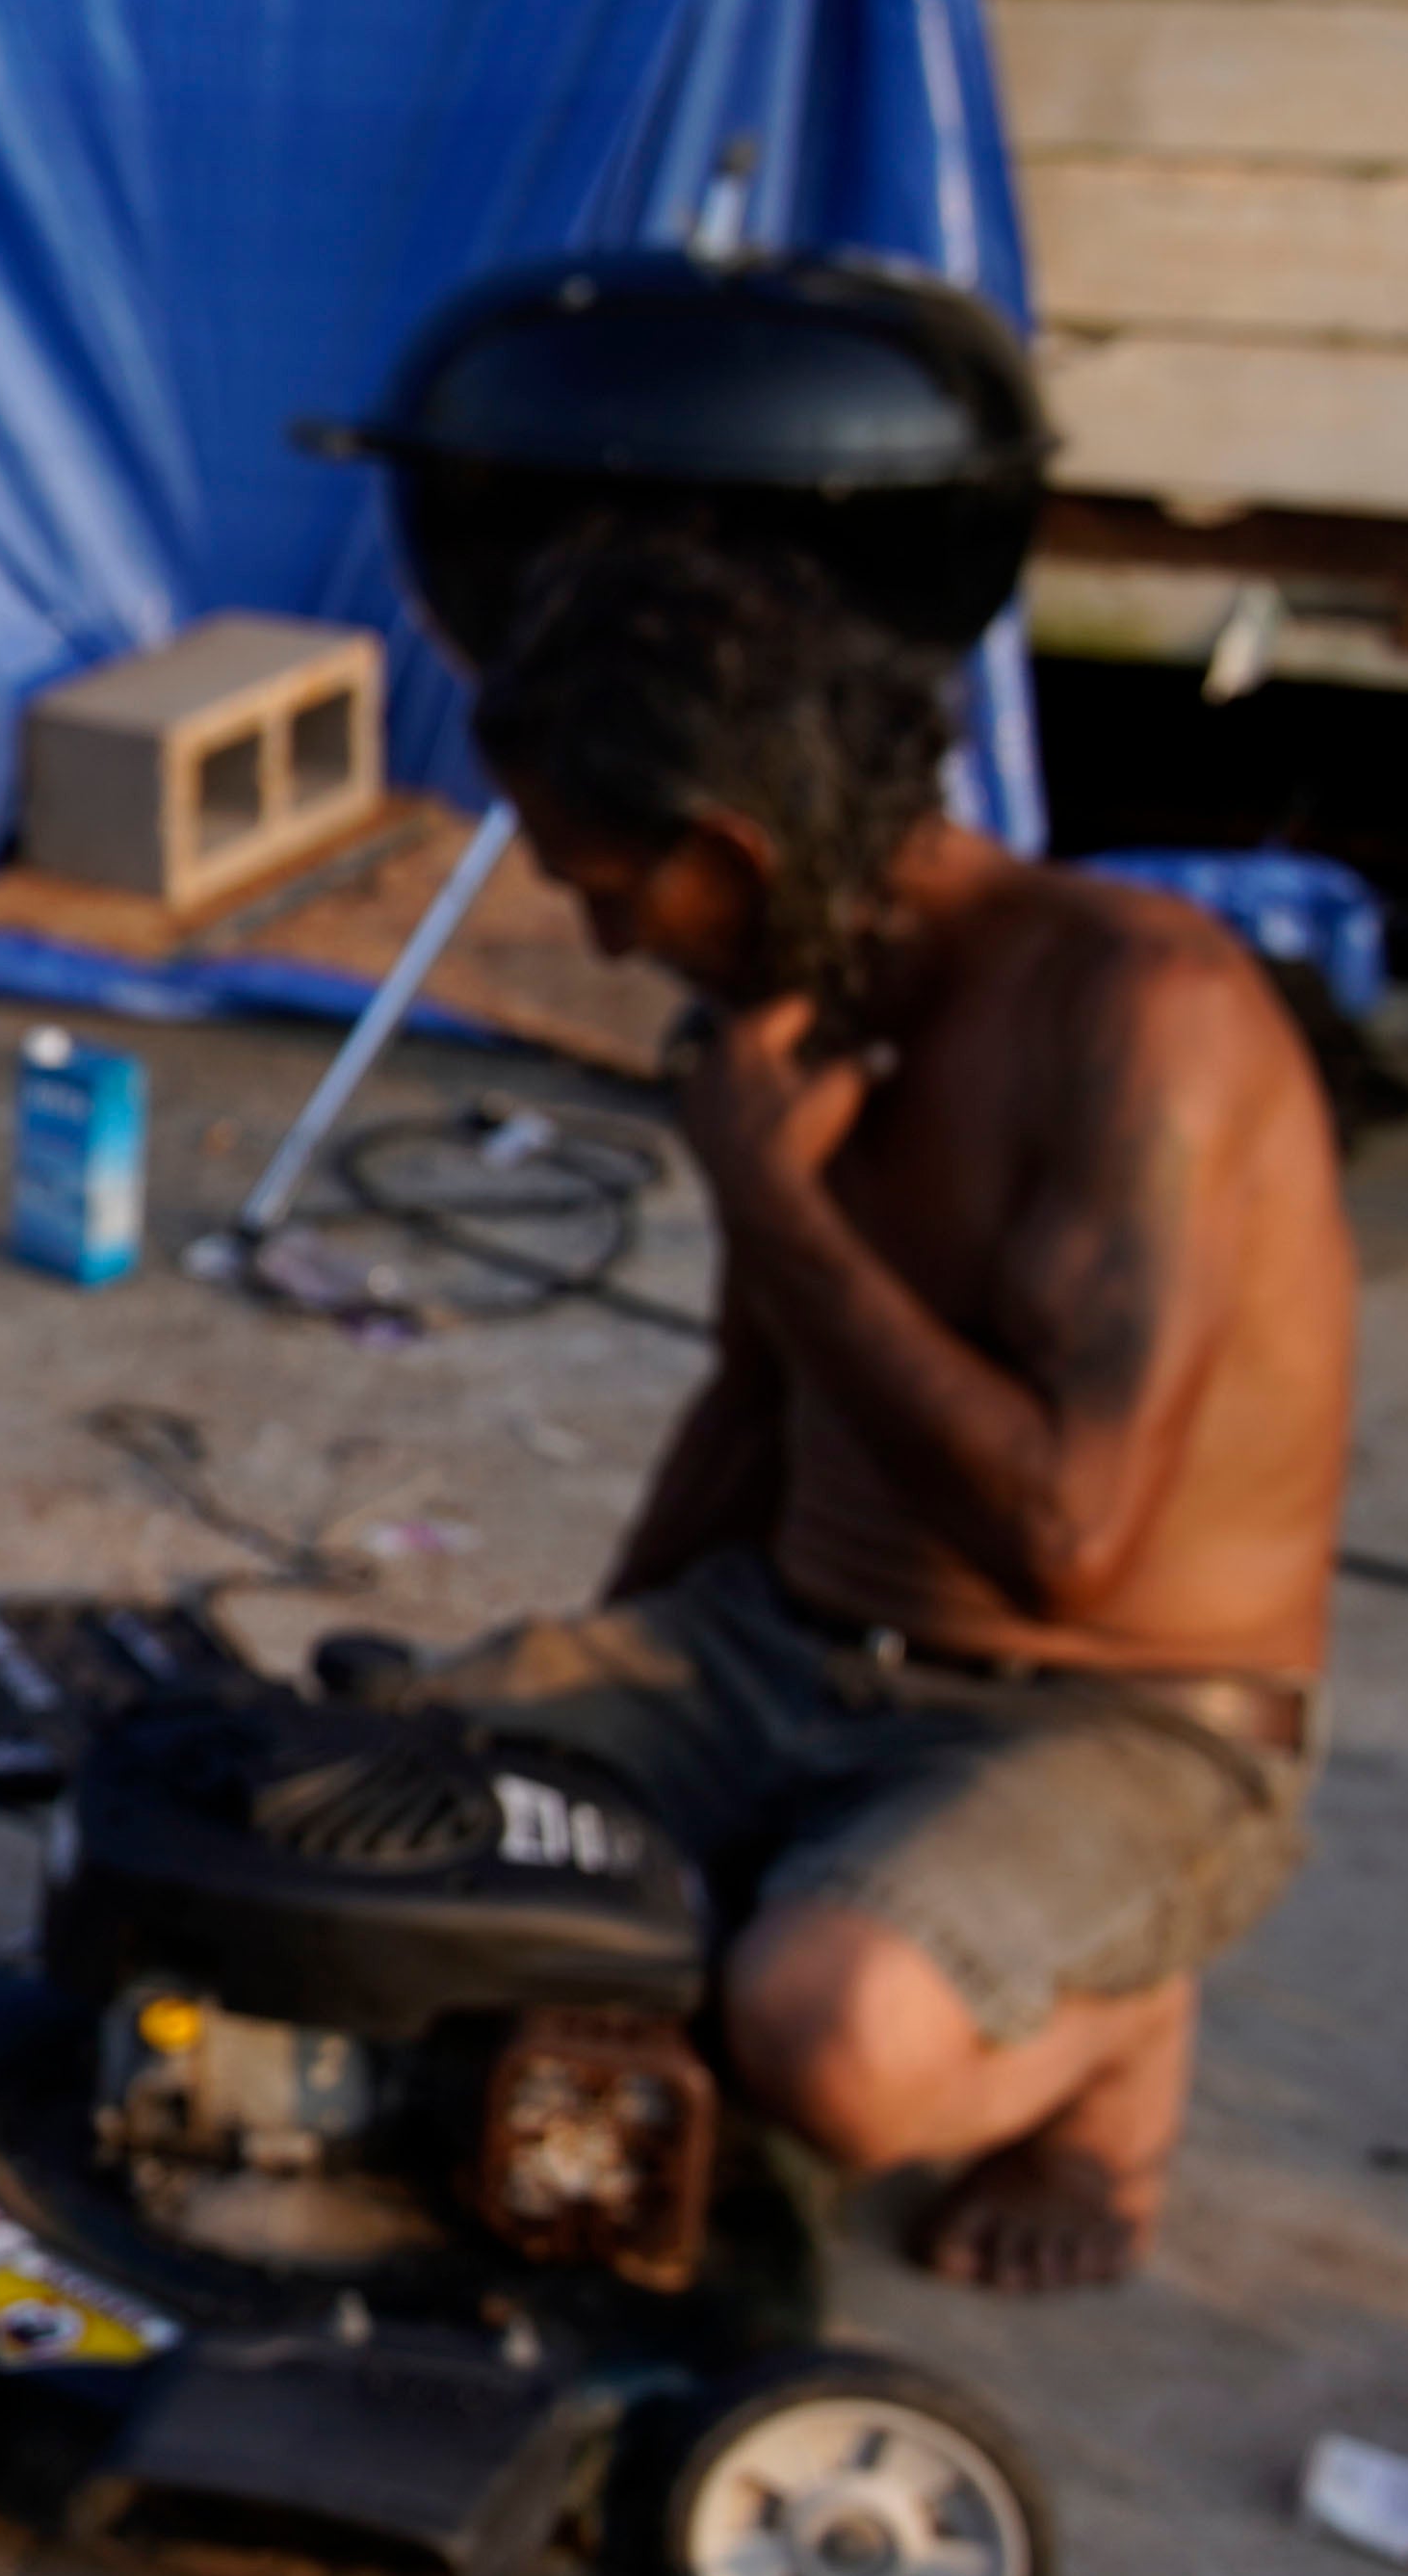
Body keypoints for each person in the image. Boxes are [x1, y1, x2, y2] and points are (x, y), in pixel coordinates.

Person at [431, 525, 1354, 2293]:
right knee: (363, 1806)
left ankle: (1110, 2050)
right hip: (787, 1649)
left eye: (614, 889)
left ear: (734, 851)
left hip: (1107, 1721)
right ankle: (763, 1871)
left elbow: (1066, 1538)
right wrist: (598, 1682)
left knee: (824, 2038)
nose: (608, 941)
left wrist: (774, 1208)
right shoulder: (788, 1018)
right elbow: (750, 1409)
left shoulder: (1135, 1013)